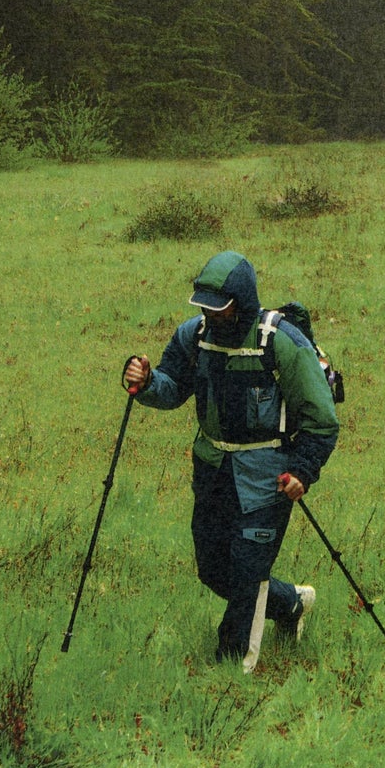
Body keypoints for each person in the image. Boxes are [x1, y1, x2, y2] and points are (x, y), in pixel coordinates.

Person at [122, 250, 339, 671]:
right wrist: (147, 382)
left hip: (267, 480)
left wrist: (303, 471)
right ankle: (292, 604)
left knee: (247, 572)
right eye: (204, 306)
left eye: (219, 307)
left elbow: (322, 421)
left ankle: (231, 670)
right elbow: (172, 387)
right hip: (212, 471)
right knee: (212, 569)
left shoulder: (281, 343)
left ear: (242, 302)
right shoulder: (194, 336)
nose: (210, 315)